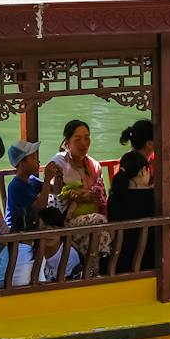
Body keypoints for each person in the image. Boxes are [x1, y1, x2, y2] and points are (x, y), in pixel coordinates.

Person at [45, 119, 109, 278]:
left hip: (90, 218)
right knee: (99, 221)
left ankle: (91, 271)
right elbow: (56, 196)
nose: (83, 143)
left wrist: (93, 197)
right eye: (78, 139)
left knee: (102, 226)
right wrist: (80, 196)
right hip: (67, 219)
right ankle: (92, 272)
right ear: (67, 142)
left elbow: (102, 196)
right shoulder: (59, 163)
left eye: (87, 138)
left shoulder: (94, 165)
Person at [106, 152, 159, 273]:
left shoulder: (113, 198)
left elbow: (112, 234)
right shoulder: (153, 196)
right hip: (150, 260)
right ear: (143, 171)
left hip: (120, 262)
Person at [3, 139, 50, 233]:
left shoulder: (32, 180)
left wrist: (58, 176)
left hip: (29, 226)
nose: (38, 161)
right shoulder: (16, 186)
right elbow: (40, 207)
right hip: (17, 231)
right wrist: (48, 178)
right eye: (33, 158)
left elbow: (55, 190)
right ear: (22, 163)